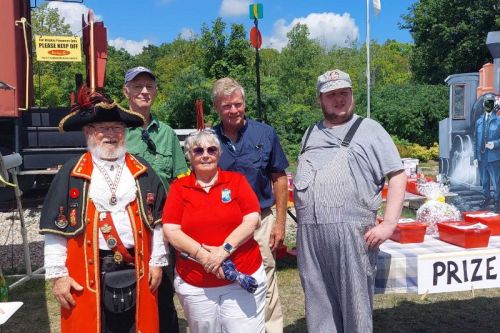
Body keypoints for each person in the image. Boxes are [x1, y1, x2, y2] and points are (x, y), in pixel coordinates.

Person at [40, 93, 167, 333]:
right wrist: (58, 276)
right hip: (86, 271)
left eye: (117, 128)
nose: (111, 134)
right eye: (103, 128)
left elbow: (158, 222)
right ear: (88, 132)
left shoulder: (142, 170)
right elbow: (55, 230)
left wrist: (157, 262)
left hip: (138, 266)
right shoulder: (71, 173)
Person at [294, 69, 407, 332]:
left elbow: (398, 176)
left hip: (353, 234)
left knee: (356, 310)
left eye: (344, 93)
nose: (339, 99)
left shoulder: (370, 129)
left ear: (352, 95)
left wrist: (389, 224)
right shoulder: (310, 133)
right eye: (331, 94)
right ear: (320, 99)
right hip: (310, 234)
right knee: (318, 306)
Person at [162, 130, 266, 333]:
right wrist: (203, 256)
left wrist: (223, 251)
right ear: (189, 156)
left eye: (211, 149)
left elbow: (253, 218)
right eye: (198, 150)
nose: (205, 155)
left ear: (219, 154)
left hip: (240, 276)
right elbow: (171, 230)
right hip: (196, 283)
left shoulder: (236, 181)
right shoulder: (179, 188)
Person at [212, 77, 289, 333]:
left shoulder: (264, 133)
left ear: (244, 103)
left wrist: (279, 223)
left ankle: (271, 329)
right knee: (226, 279)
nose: (233, 110)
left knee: (265, 277)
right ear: (217, 108)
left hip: (260, 219)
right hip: (224, 224)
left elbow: (279, 178)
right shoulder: (209, 140)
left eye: (238, 104)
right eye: (227, 106)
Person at [124, 66, 187, 333]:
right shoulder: (116, 132)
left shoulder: (167, 134)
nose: (144, 91)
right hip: (127, 226)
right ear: (126, 91)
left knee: (163, 291)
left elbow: (182, 180)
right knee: (127, 291)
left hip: (162, 225)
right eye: (137, 86)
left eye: (149, 86)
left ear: (156, 92)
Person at [473, 93, 500, 212]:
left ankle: (497, 201)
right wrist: (475, 157)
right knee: (484, 181)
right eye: (486, 102)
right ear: (483, 104)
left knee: (496, 181)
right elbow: (475, 141)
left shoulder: (498, 121)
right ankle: (486, 198)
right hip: (481, 157)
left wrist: (494, 144)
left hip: (494, 157)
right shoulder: (479, 121)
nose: (488, 104)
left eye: (490, 102)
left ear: (493, 104)